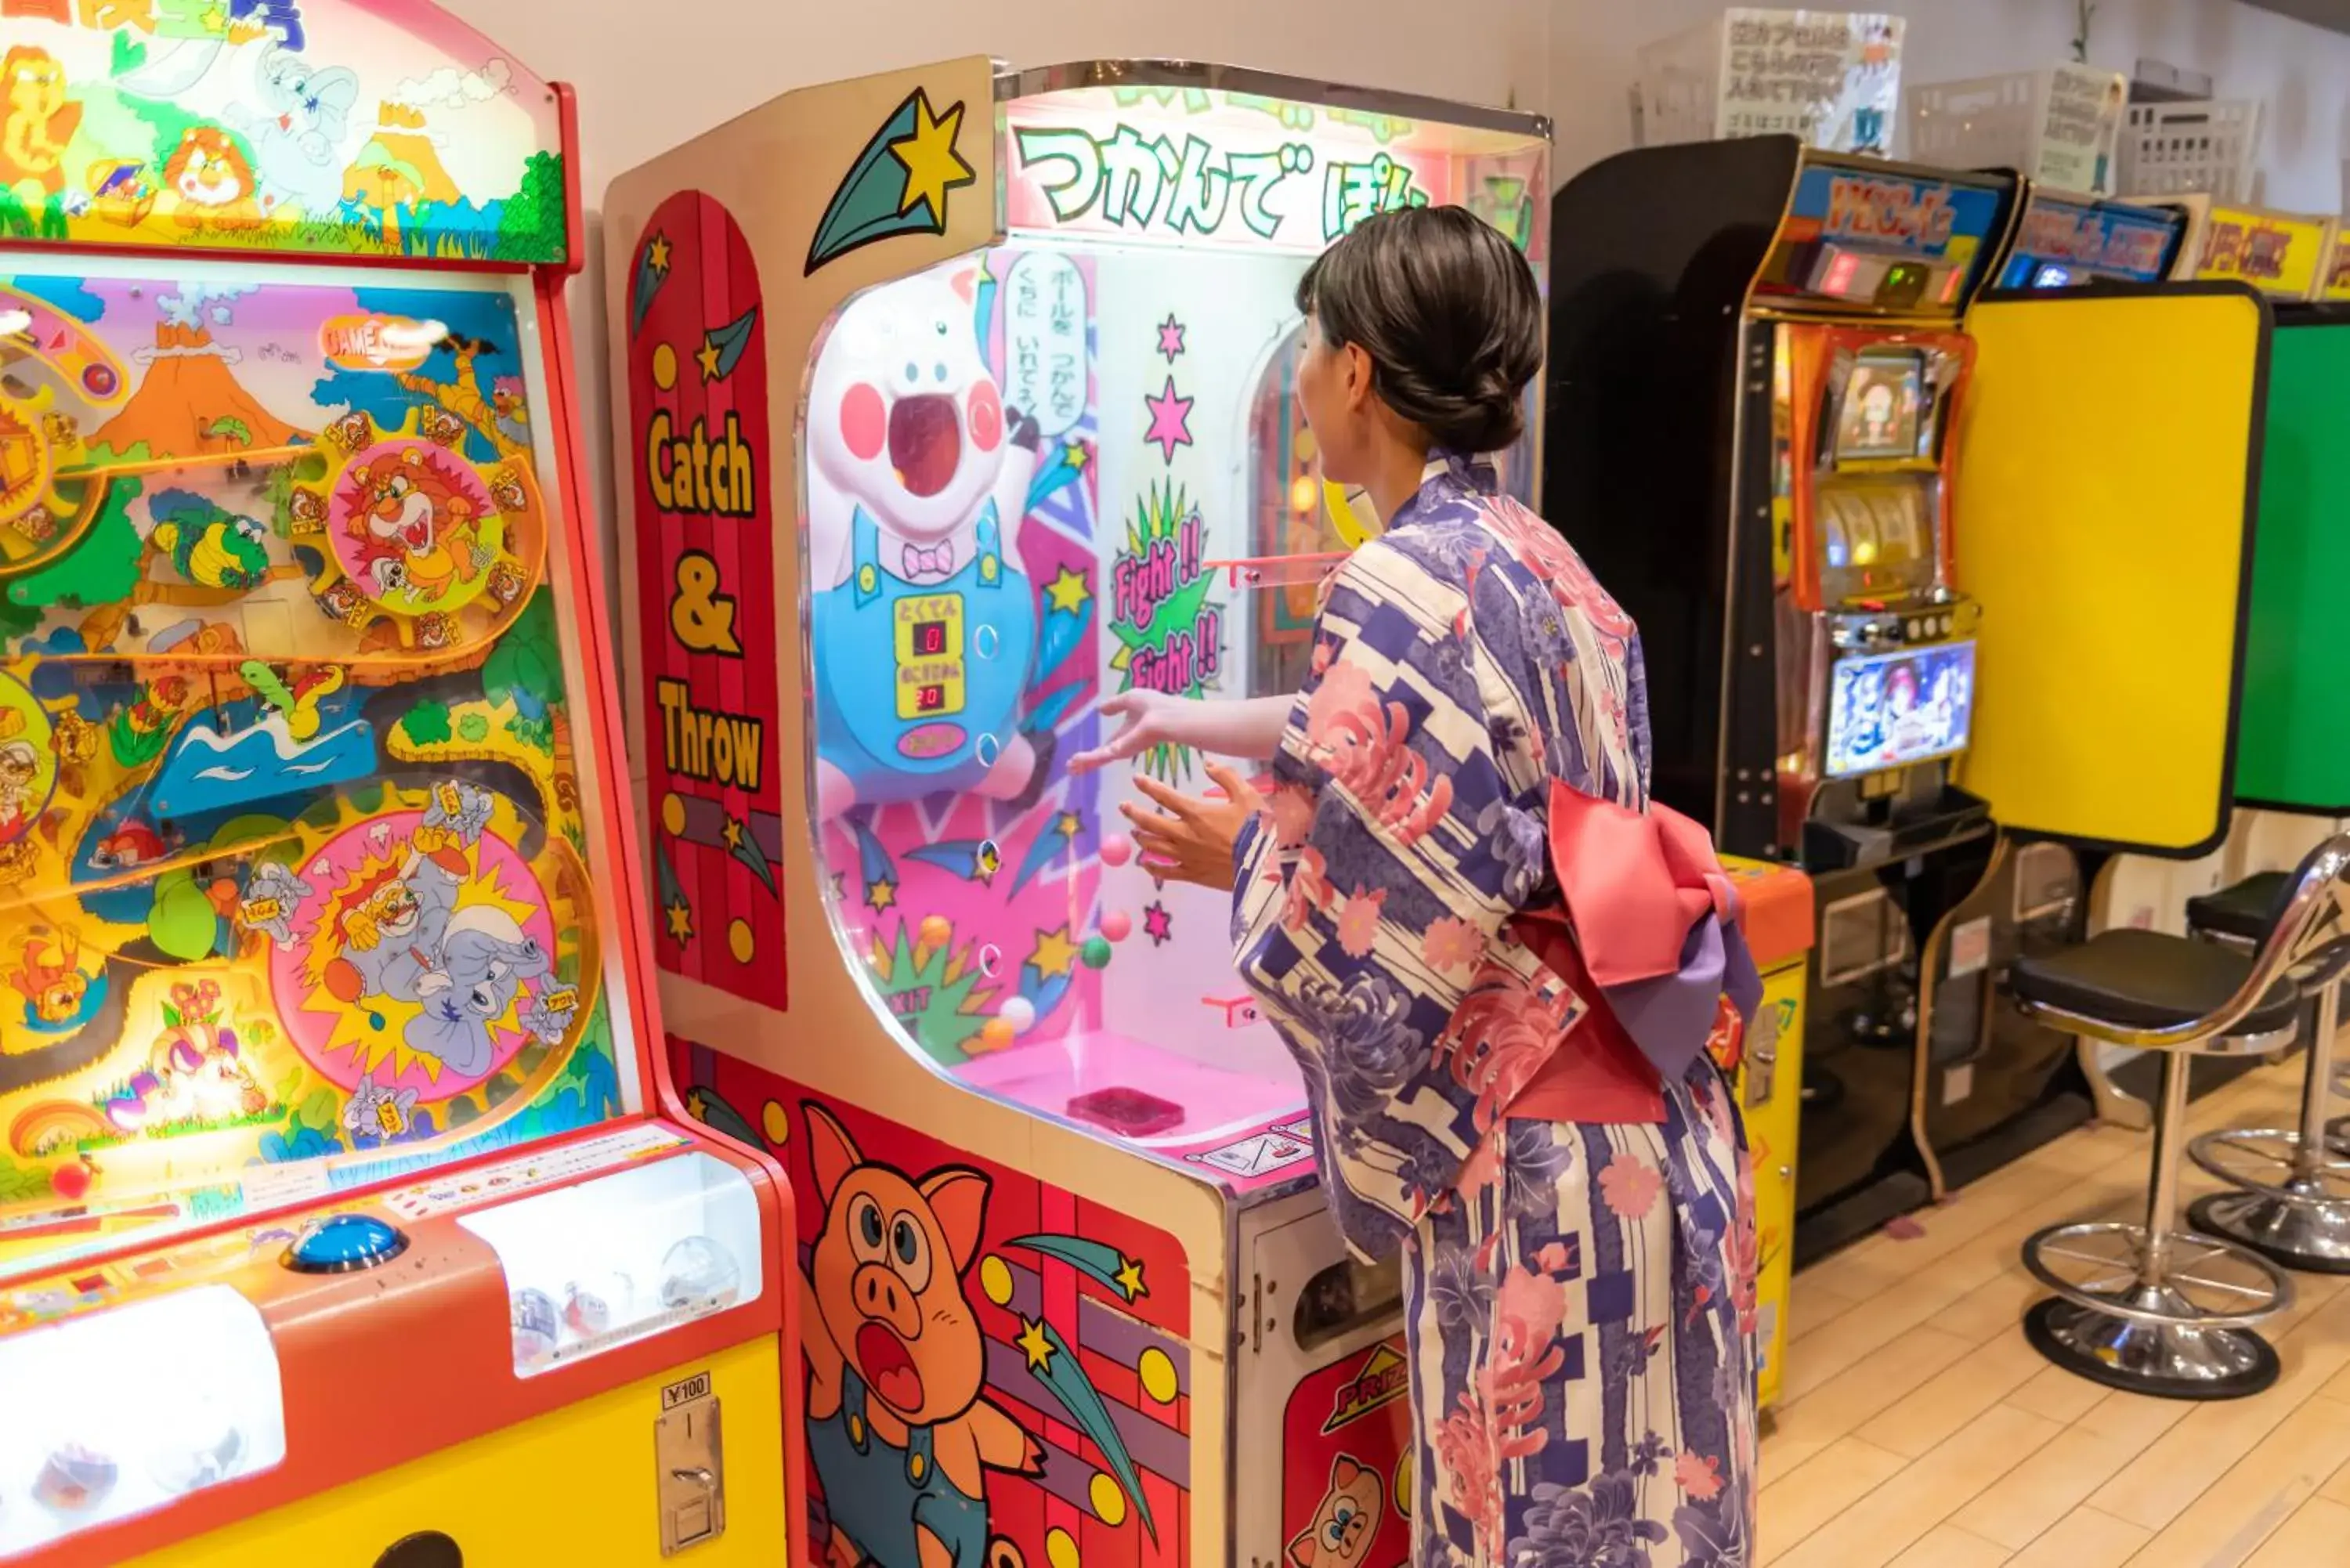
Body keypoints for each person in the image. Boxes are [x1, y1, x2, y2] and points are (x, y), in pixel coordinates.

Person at [1069, 206, 1760, 1566]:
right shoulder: (1539, 558)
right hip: (1656, 1124)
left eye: (1315, 347)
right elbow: (1419, 759)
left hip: (1544, 1172)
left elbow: (1350, 938)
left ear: (1358, 376)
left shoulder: (1396, 579)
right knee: (1650, 1518)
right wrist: (1197, 722)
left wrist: (1242, 859)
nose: (1308, 376)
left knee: (1530, 1529)